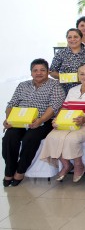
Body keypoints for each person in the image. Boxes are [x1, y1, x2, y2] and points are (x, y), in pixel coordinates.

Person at [3, 59, 64, 187]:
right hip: (20, 120)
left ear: (48, 72)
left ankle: (20, 171)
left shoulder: (55, 85)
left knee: (30, 138)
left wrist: (40, 121)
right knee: (9, 137)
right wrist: (9, 119)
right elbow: (12, 104)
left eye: (42, 70)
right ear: (31, 73)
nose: (39, 73)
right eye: (35, 70)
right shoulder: (22, 85)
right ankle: (9, 170)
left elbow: (54, 107)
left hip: (43, 121)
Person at [40, 63, 85, 182]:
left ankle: (78, 165)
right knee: (52, 137)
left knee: (71, 139)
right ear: (78, 76)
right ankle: (66, 165)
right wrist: (57, 119)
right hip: (68, 122)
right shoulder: (72, 90)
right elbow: (64, 108)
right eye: (82, 74)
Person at [50, 28, 85, 94]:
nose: (72, 39)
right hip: (64, 91)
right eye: (69, 37)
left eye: (76, 37)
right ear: (67, 39)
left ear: (81, 38)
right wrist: (67, 78)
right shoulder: (60, 53)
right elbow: (52, 72)